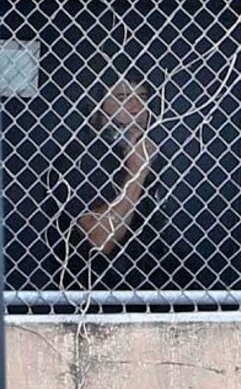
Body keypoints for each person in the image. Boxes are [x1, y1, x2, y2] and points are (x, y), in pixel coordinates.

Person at [50, 78, 167, 289]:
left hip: (147, 284)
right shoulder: (80, 157)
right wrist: (136, 172)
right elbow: (101, 238)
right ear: (98, 107)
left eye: (142, 97)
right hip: (95, 290)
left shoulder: (144, 154)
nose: (136, 107)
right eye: (123, 98)